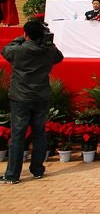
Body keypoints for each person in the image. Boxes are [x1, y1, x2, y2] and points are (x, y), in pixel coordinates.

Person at [1, 20, 63, 184]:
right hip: (41, 97)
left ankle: (12, 174)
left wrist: (20, 39)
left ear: (26, 34)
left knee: (17, 136)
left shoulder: (18, 50)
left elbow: (5, 50)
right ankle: (37, 170)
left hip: (21, 98)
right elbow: (59, 57)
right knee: (39, 134)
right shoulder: (48, 50)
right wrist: (49, 43)